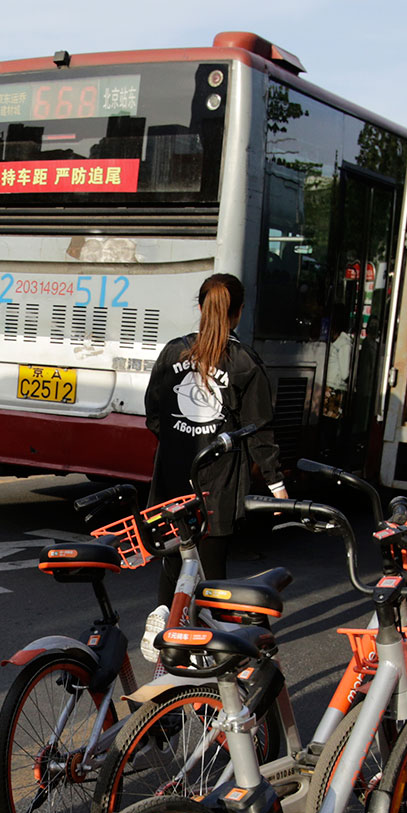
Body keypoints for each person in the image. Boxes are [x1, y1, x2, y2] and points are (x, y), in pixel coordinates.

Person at [140, 273, 286, 653]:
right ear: (237, 313)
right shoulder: (245, 362)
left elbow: (153, 415)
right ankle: (206, 648)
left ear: (201, 308)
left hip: (171, 476)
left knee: (173, 559)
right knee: (210, 571)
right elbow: (259, 431)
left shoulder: (173, 352)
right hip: (217, 485)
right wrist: (277, 486)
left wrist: (180, 441)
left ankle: (163, 620)